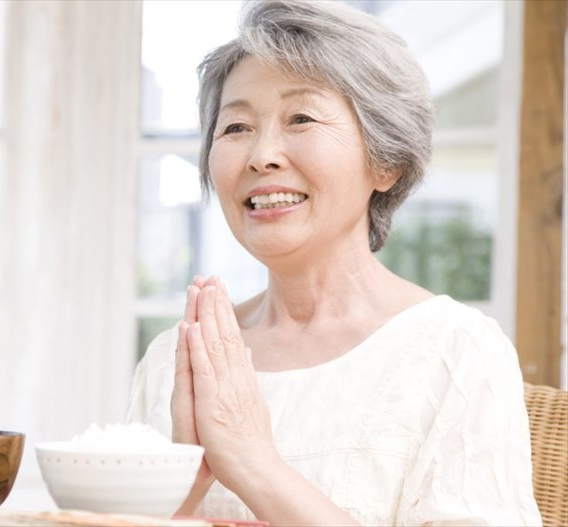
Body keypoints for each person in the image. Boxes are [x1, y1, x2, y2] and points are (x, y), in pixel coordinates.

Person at [127, 1, 542, 525]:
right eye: (235, 127)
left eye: (300, 118)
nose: (261, 155)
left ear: (386, 161)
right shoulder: (179, 357)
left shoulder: (456, 355)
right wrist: (183, 492)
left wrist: (253, 463)